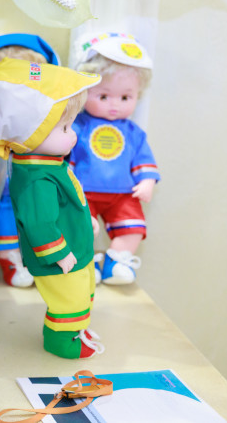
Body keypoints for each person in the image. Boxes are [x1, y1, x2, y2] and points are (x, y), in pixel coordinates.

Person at [0, 58, 104, 359]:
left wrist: (86, 220)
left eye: (70, 125)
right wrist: (57, 253)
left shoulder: (49, 165)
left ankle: (79, 329)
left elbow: (69, 199)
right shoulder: (36, 180)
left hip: (75, 243)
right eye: (64, 127)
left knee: (83, 289)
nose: (73, 134)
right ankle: (62, 340)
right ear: (29, 134)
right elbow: (39, 223)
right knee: (68, 300)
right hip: (61, 255)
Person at [0, 33, 60, 287]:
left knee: (42, 213)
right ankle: (10, 258)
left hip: (35, 181)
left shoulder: (49, 118)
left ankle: (44, 256)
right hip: (2, 183)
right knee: (4, 210)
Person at [70, 32, 158, 285]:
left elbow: (143, 159)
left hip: (123, 193)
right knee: (81, 227)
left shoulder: (133, 132)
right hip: (82, 191)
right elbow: (67, 154)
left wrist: (147, 182)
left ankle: (117, 261)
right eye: (103, 96)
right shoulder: (78, 125)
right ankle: (85, 264)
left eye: (125, 97)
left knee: (133, 227)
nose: (114, 105)